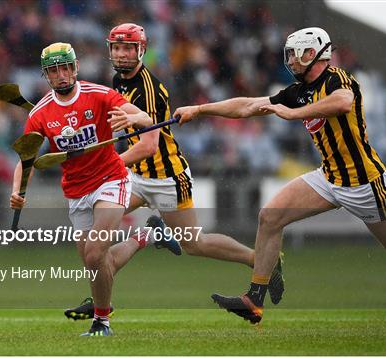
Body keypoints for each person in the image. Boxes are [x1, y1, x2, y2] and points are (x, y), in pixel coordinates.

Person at [174, 27, 386, 324]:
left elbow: (343, 103)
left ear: (314, 53)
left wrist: (292, 114)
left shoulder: (337, 80)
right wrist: (200, 110)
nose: (291, 61)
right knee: (270, 217)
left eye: (296, 55)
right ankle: (255, 299)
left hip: (364, 182)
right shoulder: (299, 91)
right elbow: (248, 106)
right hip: (329, 178)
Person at [65, 23, 285, 320]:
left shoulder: (148, 89)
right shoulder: (118, 81)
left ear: (141, 50)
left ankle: (262, 262)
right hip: (134, 176)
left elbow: (149, 146)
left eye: (128, 48)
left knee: (194, 243)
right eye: (116, 47)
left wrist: (103, 167)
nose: (121, 53)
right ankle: (106, 291)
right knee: (95, 237)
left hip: (167, 177)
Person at [9, 42, 177, 336]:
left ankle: (102, 321)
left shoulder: (99, 95)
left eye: (65, 68)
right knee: (98, 261)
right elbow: (27, 159)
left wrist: (133, 117)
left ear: (74, 68)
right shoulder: (39, 113)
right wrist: (18, 191)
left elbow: (146, 118)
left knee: (94, 251)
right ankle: (147, 235)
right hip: (76, 190)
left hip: (111, 179)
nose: (60, 75)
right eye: (53, 71)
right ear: (45, 76)